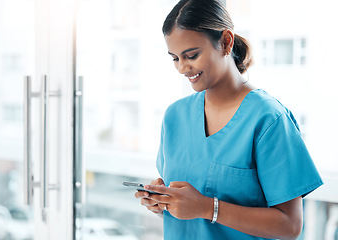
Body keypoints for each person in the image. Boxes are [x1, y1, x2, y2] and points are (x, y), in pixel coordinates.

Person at [135, 0, 323, 239]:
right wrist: (163, 204)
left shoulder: (269, 119)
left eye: (191, 55)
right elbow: (189, 213)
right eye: (175, 58)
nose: (183, 68)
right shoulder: (175, 116)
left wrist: (207, 207)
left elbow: (290, 226)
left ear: (226, 42)